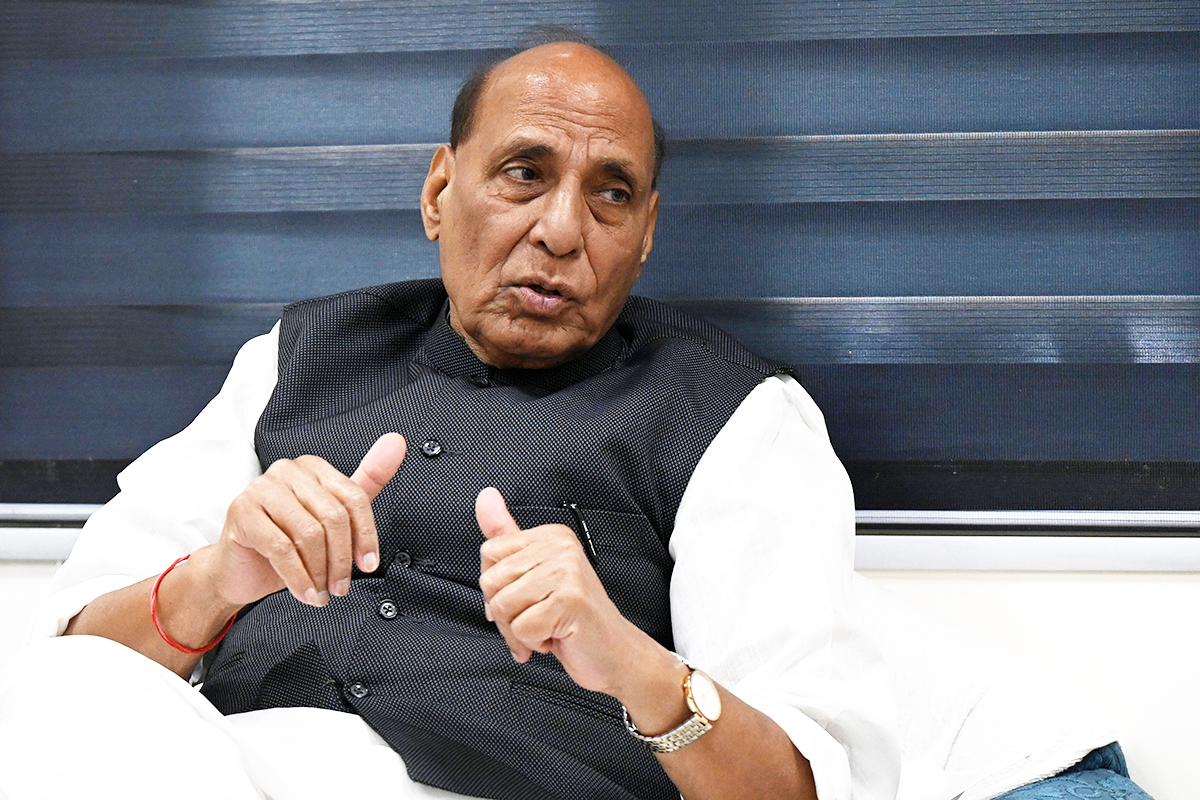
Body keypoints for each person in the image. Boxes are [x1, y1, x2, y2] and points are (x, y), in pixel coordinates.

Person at [0, 36, 1150, 800]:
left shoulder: (734, 416)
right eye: (523, 173)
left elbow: (792, 783)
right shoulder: (291, 358)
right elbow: (76, 661)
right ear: (439, 189)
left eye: (611, 194)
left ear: (646, 235)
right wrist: (215, 580)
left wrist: (633, 663)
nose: (561, 229)